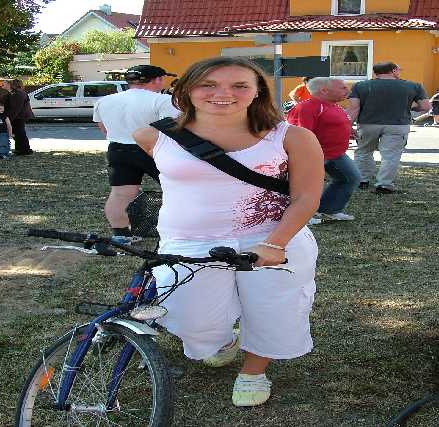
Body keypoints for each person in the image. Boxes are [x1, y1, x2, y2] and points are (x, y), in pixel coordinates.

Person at [133, 56, 323, 408]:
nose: (223, 93)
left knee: (272, 310)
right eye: (208, 84)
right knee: (189, 317)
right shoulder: (152, 135)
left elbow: (306, 197)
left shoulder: (292, 137)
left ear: (257, 91)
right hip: (188, 242)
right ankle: (222, 341)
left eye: (239, 85)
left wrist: (275, 243)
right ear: (186, 90)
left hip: (271, 239)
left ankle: (254, 371)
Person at [93, 64, 180, 241]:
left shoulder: (104, 101)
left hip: (118, 149)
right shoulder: (163, 100)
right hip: (154, 149)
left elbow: (103, 129)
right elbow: (174, 129)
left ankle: (121, 235)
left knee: (120, 194)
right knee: (177, 190)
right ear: (157, 80)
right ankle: (178, 231)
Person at [347, 61, 430, 193]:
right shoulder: (413, 86)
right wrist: (411, 107)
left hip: (368, 124)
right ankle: (384, 185)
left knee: (363, 152)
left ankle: (362, 180)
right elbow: (426, 106)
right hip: (398, 125)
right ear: (394, 70)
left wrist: (347, 126)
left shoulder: (360, 86)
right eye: (399, 70)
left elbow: (353, 108)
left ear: (376, 72)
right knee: (390, 156)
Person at [287, 77, 359, 222]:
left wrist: (348, 130)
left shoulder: (333, 105)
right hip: (312, 155)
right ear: (324, 90)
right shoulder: (307, 107)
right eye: (342, 88)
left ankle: (329, 209)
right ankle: (302, 216)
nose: (348, 90)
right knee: (307, 186)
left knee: (350, 178)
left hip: (335, 154)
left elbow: (335, 122)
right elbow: (300, 134)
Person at [0, 79, 34, 155]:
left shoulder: (17, 93)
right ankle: (21, 149)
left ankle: (24, 150)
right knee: (18, 133)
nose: (2, 83)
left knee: (19, 133)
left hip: (18, 116)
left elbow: (16, 108)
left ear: (10, 84)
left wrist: (9, 119)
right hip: (17, 116)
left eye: (5, 82)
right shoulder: (13, 93)